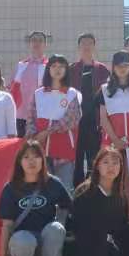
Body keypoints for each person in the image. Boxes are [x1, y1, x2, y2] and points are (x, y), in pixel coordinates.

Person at [0, 140, 71, 256]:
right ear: (19, 162)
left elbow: (69, 207)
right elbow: (6, 225)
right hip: (22, 244)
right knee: (23, 239)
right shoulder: (10, 188)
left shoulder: (53, 183)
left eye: (36, 156)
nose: (31, 161)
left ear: (43, 160)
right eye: (26, 157)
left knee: (56, 228)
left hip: (46, 243)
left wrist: (62, 225)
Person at [69, 146, 129, 256]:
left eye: (115, 163)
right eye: (106, 162)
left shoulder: (119, 195)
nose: (111, 167)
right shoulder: (85, 192)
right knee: (99, 235)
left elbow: (121, 227)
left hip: (106, 246)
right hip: (83, 248)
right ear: (97, 166)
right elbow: (79, 229)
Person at [26, 55, 82, 192]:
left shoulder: (72, 93)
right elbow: (31, 118)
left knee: (64, 190)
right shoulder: (38, 93)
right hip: (40, 152)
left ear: (66, 70)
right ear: (48, 69)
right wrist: (33, 137)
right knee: (42, 190)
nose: (58, 69)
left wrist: (46, 132)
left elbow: (71, 119)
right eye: (54, 66)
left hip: (64, 152)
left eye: (61, 66)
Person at [69, 33, 110, 187]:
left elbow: (108, 97)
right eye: (83, 43)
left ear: (94, 46)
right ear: (79, 47)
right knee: (76, 159)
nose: (86, 46)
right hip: (76, 123)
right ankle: (77, 191)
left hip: (95, 122)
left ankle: (93, 189)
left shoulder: (102, 69)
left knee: (94, 159)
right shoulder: (72, 69)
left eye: (90, 43)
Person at [10, 31, 48, 138]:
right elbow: (11, 88)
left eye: (40, 40)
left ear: (45, 45)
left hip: (40, 115)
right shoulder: (21, 65)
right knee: (20, 146)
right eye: (34, 40)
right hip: (20, 115)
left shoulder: (50, 66)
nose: (37, 43)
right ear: (30, 44)